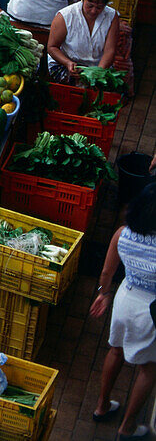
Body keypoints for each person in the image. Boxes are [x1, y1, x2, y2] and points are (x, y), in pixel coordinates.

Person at [90, 183, 156, 441]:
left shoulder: (122, 234)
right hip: (150, 310)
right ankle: (127, 428)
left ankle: (102, 406)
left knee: (115, 351)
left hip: (124, 299)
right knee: (149, 369)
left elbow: (107, 273)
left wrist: (103, 294)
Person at [47, 0, 120, 82]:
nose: (94, 11)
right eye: (90, 6)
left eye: (99, 7)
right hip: (65, 65)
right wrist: (68, 63)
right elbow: (52, 47)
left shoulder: (112, 16)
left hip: (97, 67)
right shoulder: (65, 16)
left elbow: (110, 50)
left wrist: (98, 71)